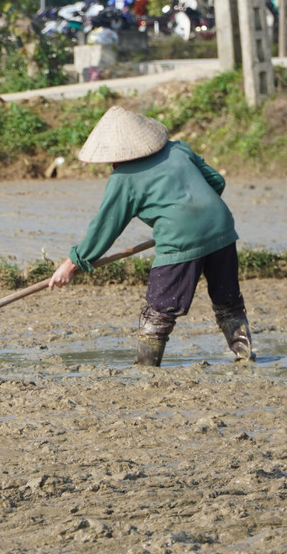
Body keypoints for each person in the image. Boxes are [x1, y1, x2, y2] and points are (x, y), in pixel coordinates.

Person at [45, 106, 252, 367]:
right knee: (228, 302)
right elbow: (216, 181)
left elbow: (105, 226)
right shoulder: (179, 149)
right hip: (221, 227)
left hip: (180, 238)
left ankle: (146, 368)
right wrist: (195, 214)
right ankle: (245, 355)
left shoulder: (124, 178)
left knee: (157, 313)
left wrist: (71, 263)